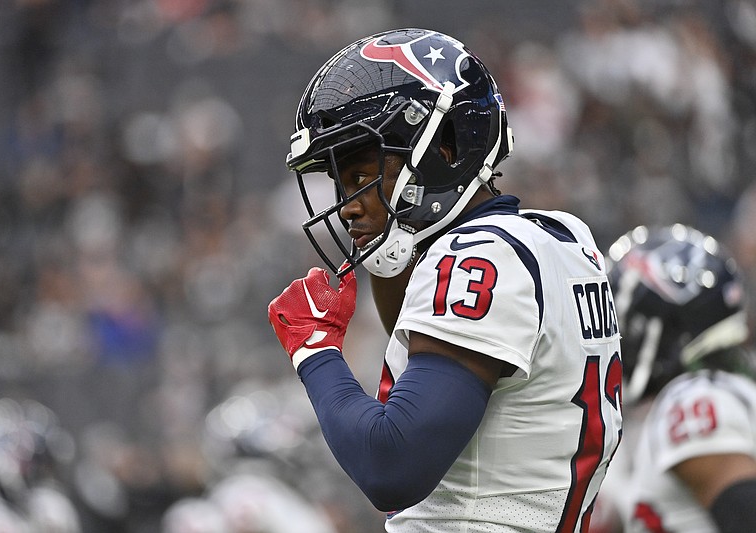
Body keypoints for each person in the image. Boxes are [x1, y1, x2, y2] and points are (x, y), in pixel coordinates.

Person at [267, 28, 623, 532]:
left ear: (446, 150)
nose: (348, 205)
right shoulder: (564, 237)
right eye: (342, 183)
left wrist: (315, 351)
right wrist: (391, 254)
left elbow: (391, 466)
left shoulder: (481, 255)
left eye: (364, 173)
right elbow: (429, 357)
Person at [605, 223, 756, 533]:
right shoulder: (726, 387)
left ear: (667, 323)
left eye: (629, 325)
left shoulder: (692, 399)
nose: (622, 339)